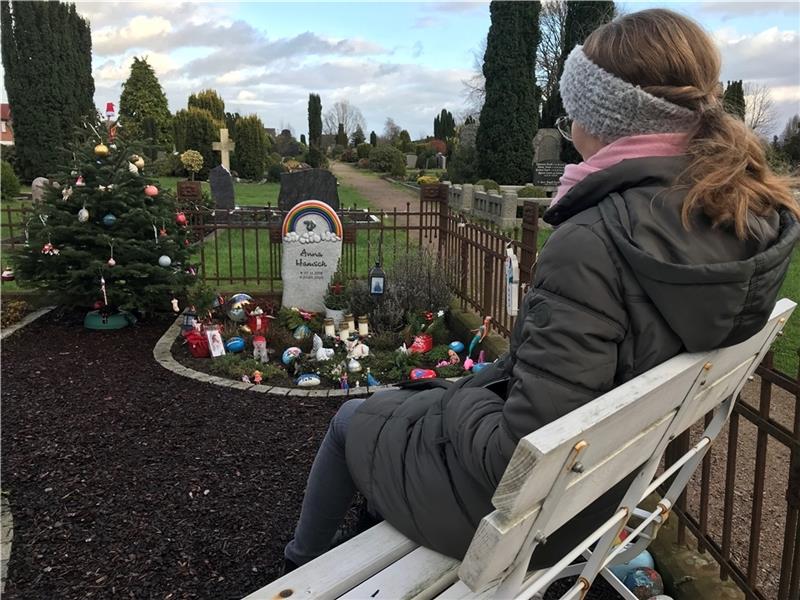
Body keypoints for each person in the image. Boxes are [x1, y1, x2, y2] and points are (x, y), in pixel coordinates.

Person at [283, 8, 799, 572]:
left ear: (600, 117)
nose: (563, 118)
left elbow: (513, 459)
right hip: (612, 487)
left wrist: (467, 396)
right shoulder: (738, 219)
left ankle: (299, 565)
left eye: (570, 106)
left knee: (354, 421)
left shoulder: (594, 242)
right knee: (410, 407)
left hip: (534, 518)